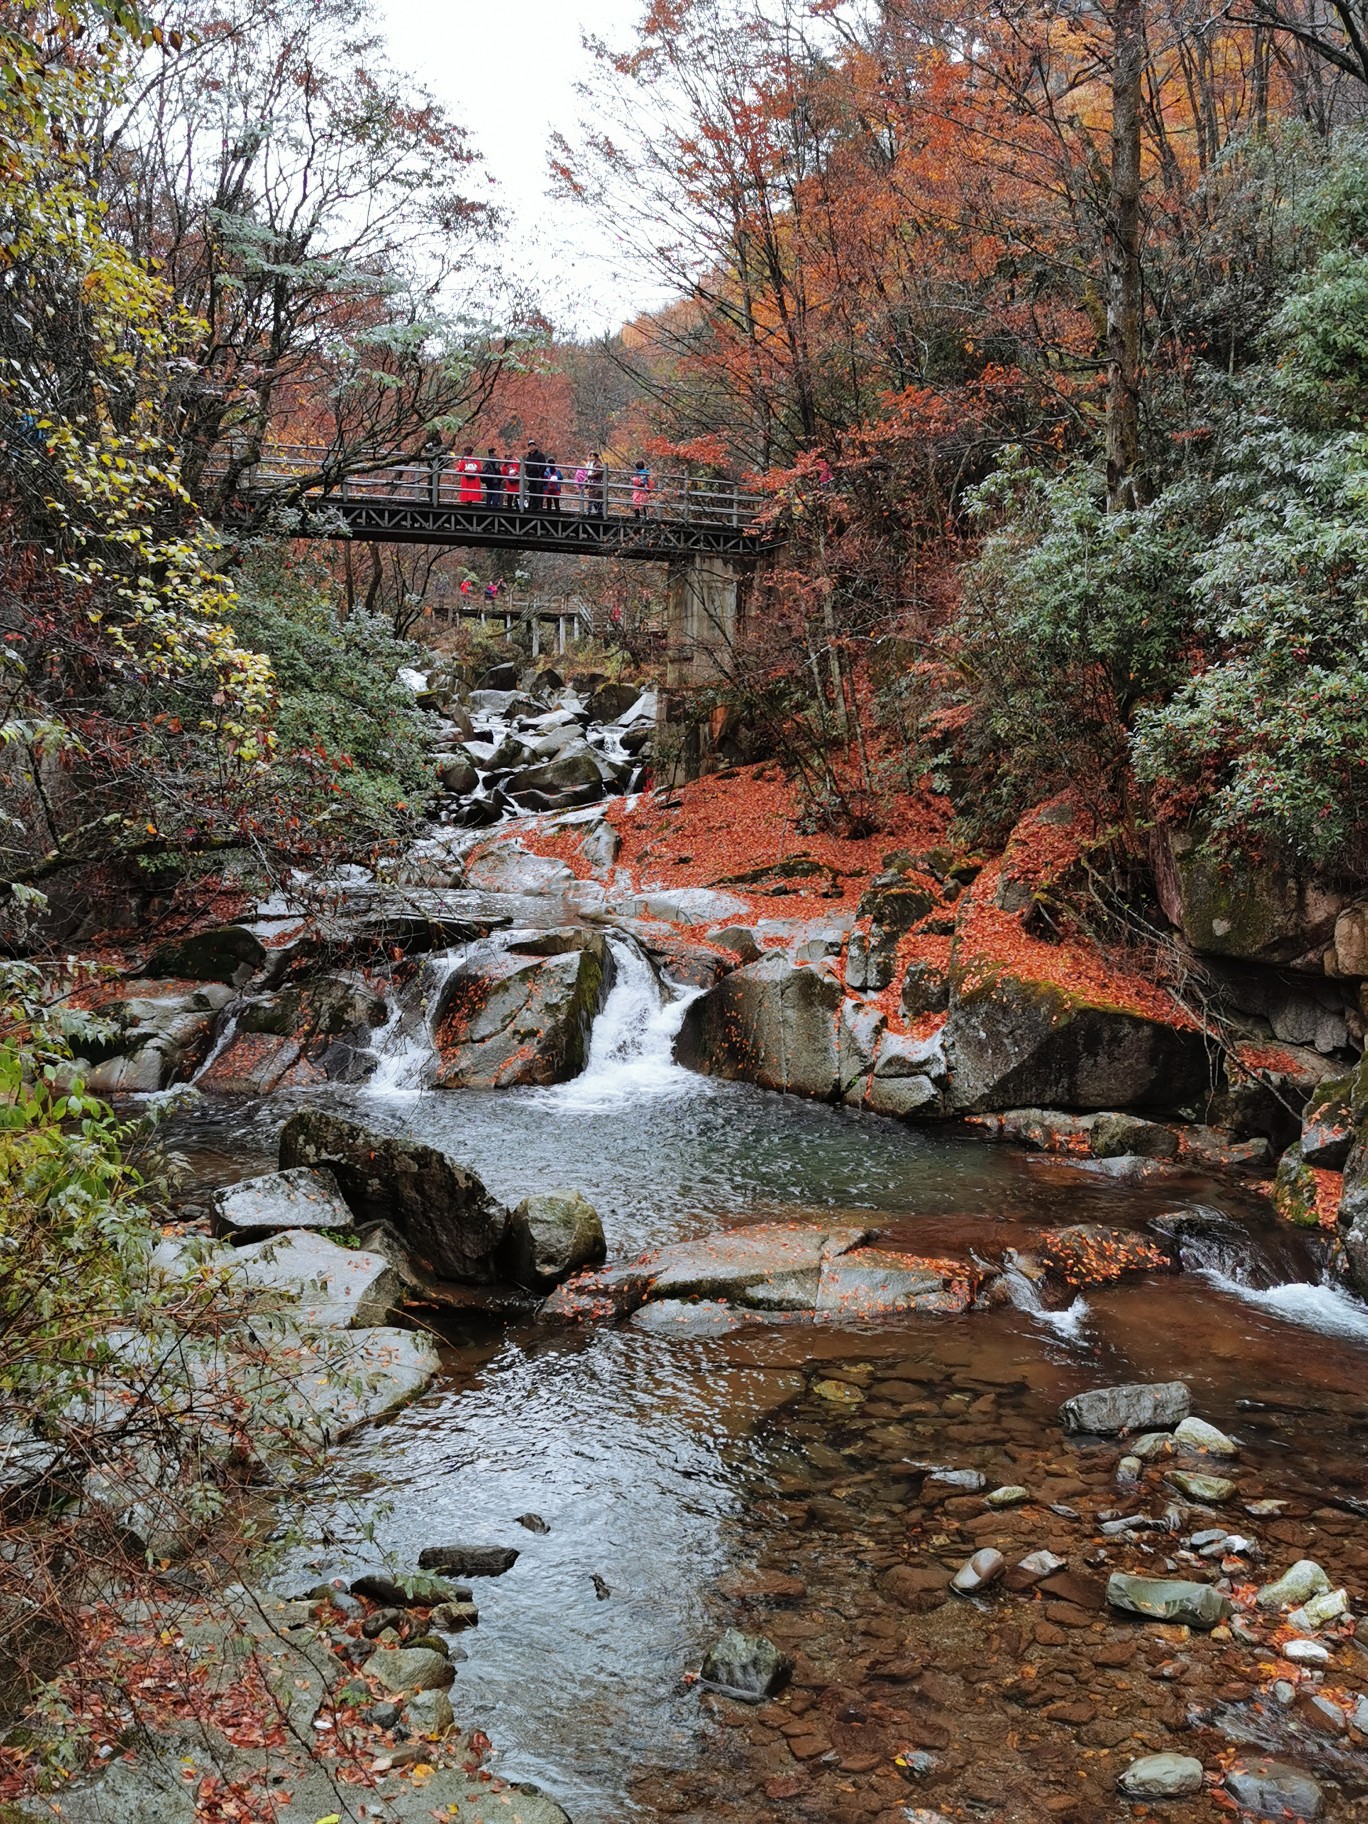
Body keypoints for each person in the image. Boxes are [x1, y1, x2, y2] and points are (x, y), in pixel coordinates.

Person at [523, 440, 546, 512]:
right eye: (530, 445)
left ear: (535, 446)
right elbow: (526, 466)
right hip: (531, 476)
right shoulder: (528, 457)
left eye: (532, 445)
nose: (531, 447)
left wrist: (540, 475)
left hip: (538, 476)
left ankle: (539, 507)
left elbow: (543, 466)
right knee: (532, 491)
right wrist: (527, 475)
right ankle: (532, 506)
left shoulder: (540, 455)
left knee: (539, 491)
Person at [585, 451, 605, 518]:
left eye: (592, 456)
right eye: (590, 456)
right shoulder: (592, 464)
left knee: (594, 497)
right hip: (593, 483)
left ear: (596, 457)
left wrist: (591, 476)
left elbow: (600, 471)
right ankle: (597, 510)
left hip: (596, 483)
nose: (591, 457)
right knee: (594, 497)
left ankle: (591, 510)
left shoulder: (598, 464)